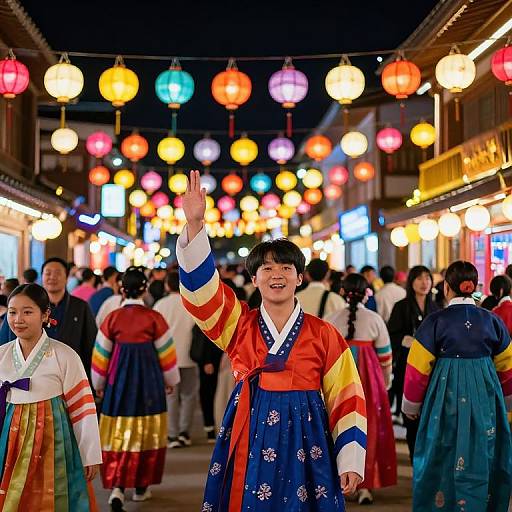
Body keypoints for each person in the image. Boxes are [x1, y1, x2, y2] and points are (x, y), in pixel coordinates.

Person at [177, 171, 366, 511]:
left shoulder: (324, 333)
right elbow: (202, 296)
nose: (276, 275)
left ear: (299, 277)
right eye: (266, 269)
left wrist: (351, 458)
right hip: (250, 424)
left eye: (285, 268)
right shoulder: (238, 324)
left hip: (308, 437)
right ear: (254, 278)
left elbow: (347, 395)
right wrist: (194, 225)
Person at [403, 261, 512, 511]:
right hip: (485, 398)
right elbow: (508, 365)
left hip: (445, 397)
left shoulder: (434, 322)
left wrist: (412, 404)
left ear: (446, 288)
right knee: (484, 452)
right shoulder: (491, 320)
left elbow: (417, 369)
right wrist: (506, 403)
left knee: (441, 452)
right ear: (473, 287)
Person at [0, 284, 102, 509]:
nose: (18, 319)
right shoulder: (2, 354)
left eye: (28, 312)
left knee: (52, 496)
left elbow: (82, 407)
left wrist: (90, 454)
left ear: (45, 315)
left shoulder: (65, 355)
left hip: (53, 437)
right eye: (12, 312)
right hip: (9, 439)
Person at [92, 266, 179, 511]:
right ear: (145, 289)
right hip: (149, 383)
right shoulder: (154, 318)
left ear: (122, 289)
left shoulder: (113, 318)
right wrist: (170, 381)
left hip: (118, 383)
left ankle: (118, 485)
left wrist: (99, 384)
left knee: (118, 429)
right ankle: (141, 486)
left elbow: (100, 356)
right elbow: (167, 354)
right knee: (147, 430)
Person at [326, 273, 396, 505]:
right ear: (367, 293)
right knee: (369, 430)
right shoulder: (374, 319)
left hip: (337, 382)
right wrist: (385, 383)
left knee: (334, 428)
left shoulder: (330, 318)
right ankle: (365, 486)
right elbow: (385, 357)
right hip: (369, 382)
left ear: (343, 292)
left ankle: (336, 483)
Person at [0, 257, 98, 376]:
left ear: (67, 277)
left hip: (70, 373)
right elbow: (5, 341)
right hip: (27, 374)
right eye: (48, 273)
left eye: (57, 273)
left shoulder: (80, 307)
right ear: (42, 276)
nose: (52, 277)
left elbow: (91, 344)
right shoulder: (23, 306)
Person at [387, 265, 438, 458]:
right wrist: (406, 340)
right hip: (407, 369)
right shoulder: (402, 306)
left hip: (432, 371)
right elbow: (391, 335)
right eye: (419, 278)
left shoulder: (436, 307)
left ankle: (428, 460)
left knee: (430, 416)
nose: (424, 282)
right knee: (411, 417)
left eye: (427, 278)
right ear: (411, 282)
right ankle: (415, 458)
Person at [154, 271, 199, 448]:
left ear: (167, 285)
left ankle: (172, 435)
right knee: (189, 395)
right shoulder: (192, 304)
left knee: (171, 396)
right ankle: (184, 432)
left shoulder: (160, 305)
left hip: (167, 358)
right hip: (189, 356)